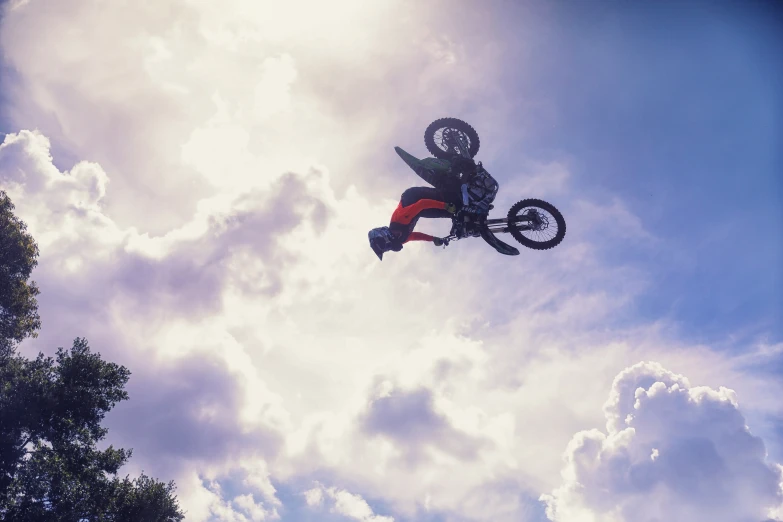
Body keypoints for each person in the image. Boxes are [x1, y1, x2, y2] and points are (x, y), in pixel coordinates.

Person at [368, 146, 499, 260]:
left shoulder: (399, 219)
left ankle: (453, 170)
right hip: (421, 210)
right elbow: (416, 236)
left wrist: (446, 206)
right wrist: (434, 239)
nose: (388, 248)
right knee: (455, 211)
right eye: (386, 248)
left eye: (385, 246)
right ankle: (471, 211)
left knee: (449, 198)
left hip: (416, 197)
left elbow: (422, 204)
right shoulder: (402, 238)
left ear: (384, 236)